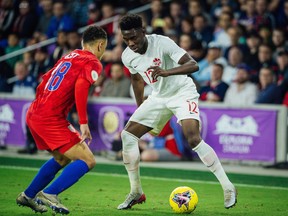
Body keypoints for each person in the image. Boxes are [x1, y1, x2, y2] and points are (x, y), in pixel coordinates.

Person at [117, 14, 237, 210]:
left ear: (143, 31)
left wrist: (166, 72)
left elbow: (193, 64)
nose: (131, 43)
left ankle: (228, 187)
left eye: (134, 37)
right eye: (126, 39)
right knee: (128, 135)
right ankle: (136, 191)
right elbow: (137, 80)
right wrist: (141, 109)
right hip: (158, 96)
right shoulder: (127, 56)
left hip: (182, 92)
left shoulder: (163, 43)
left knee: (193, 139)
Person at [16, 25, 107, 214]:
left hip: (35, 111)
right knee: (88, 160)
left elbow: (44, 80)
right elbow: (81, 87)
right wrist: (83, 122)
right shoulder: (93, 62)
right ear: (100, 45)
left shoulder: (70, 55)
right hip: (50, 117)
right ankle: (50, 193)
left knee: (62, 157)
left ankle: (28, 195)